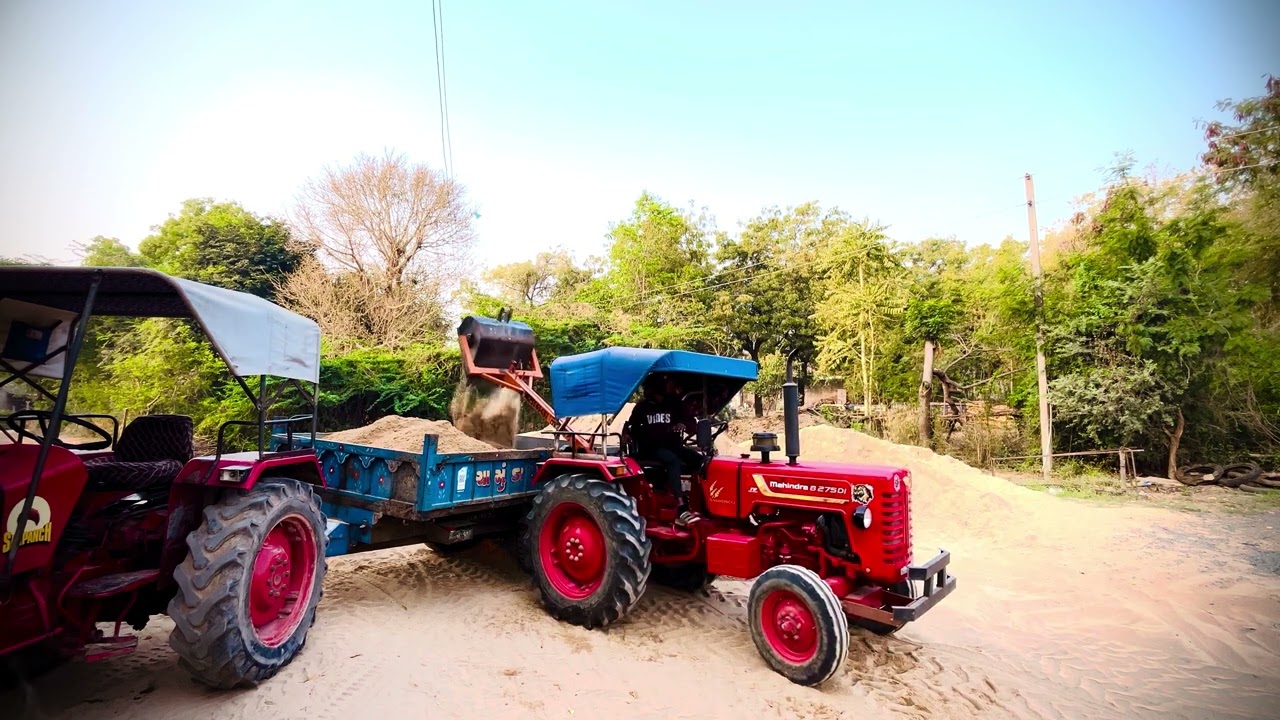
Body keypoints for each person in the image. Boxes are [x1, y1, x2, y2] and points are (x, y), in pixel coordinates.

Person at [622, 374, 706, 526]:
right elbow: (630, 428)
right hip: (650, 449)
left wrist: (683, 425)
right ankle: (681, 508)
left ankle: (703, 503)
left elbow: (690, 423)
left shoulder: (674, 404)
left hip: (673, 446)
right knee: (673, 461)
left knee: (700, 460)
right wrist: (626, 435)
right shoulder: (642, 407)